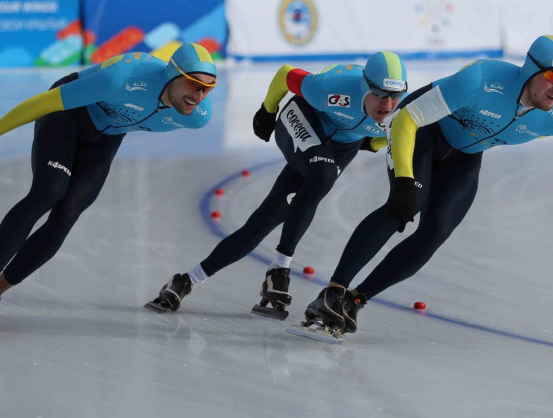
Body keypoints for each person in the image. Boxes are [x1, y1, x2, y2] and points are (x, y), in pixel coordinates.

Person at [303, 35, 553, 334]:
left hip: (465, 155)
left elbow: (498, 130)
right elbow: (405, 119)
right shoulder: (479, 80)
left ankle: (354, 300)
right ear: (530, 70)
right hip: (424, 129)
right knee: (405, 205)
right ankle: (331, 293)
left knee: (437, 230)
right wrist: (405, 180)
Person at [0, 43, 218, 338]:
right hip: (69, 113)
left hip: (108, 134)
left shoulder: (197, 115)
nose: (198, 96)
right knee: (49, 192)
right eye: (193, 84)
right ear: (171, 74)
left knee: (68, 213)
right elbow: (45, 103)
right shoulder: (122, 78)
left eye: (207, 89)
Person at [145, 52, 408, 320]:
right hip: (305, 116)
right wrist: (267, 112)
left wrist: (371, 142)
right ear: (365, 86)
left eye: (395, 96)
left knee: (268, 217)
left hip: (342, 145)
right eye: (380, 94)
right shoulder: (330, 88)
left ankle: (187, 280)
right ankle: (280, 269)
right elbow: (285, 73)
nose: (388, 104)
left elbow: (387, 139)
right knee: (323, 172)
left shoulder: (400, 111)